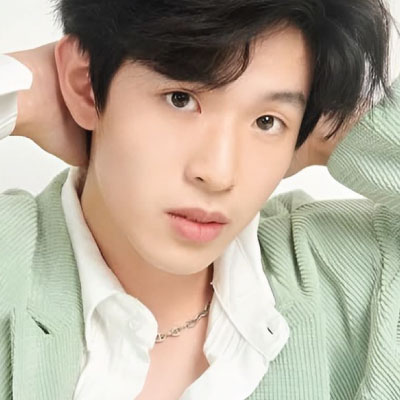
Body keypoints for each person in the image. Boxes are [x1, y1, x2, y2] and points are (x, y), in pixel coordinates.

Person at [0, 0, 399, 399]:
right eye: (180, 99)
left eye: (267, 122)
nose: (218, 174)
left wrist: (343, 120)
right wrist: (23, 93)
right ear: (84, 84)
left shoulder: (344, 280)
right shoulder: (11, 260)